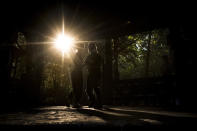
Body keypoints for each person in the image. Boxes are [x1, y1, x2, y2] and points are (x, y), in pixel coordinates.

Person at [84, 43, 102, 108]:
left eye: (92, 48)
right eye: (90, 48)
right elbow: (85, 63)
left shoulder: (98, 55)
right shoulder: (88, 56)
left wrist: (91, 63)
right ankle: (93, 101)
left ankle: (99, 103)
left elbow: (99, 64)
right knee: (88, 90)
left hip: (96, 73)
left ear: (95, 48)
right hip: (90, 74)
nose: (91, 49)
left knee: (96, 88)